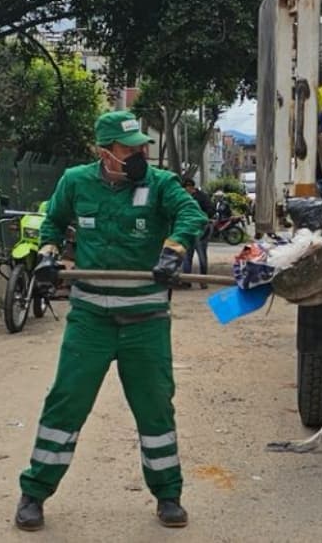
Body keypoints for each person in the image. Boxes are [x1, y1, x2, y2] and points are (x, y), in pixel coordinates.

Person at [13, 111, 208, 532]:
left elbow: (192, 216)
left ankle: (168, 495)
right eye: (128, 148)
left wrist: (173, 248)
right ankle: (34, 493)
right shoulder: (75, 182)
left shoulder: (160, 184)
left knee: (155, 408)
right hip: (91, 321)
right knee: (66, 401)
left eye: (141, 147)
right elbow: (53, 222)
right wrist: (48, 252)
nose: (138, 153)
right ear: (104, 153)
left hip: (146, 320)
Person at [180, 178, 212, 289]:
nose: (185, 190)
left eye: (186, 188)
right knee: (187, 256)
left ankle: (203, 280)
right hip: (188, 229)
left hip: (201, 229)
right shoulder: (183, 197)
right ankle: (186, 281)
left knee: (201, 255)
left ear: (191, 187)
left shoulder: (202, 197)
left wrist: (201, 218)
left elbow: (210, 210)